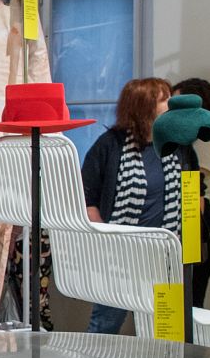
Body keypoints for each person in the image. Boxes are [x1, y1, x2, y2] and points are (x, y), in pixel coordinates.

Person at [81, 77, 197, 333]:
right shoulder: (110, 144)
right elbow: (87, 197)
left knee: (167, 329)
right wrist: (104, 236)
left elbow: (194, 192)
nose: (171, 104)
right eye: (164, 99)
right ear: (144, 106)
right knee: (106, 324)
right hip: (121, 256)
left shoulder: (179, 146)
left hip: (165, 256)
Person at [173, 76, 210, 306]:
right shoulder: (192, 140)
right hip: (194, 221)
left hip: (197, 221)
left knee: (189, 304)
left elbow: (191, 187)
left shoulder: (203, 143)